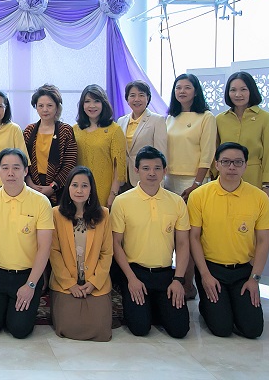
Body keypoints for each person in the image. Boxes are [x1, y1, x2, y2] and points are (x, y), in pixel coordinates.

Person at [188, 142, 269, 339]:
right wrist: (205, 275)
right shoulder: (199, 195)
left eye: (238, 162)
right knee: (222, 329)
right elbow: (194, 237)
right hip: (211, 269)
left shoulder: (259, 198)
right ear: (217, 165)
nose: (232, 167)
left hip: (243, 271)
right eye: (226, 162)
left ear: (245, 165)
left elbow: (263, 241)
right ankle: (208, 307)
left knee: (253, 330)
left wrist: (254, 279)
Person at [110, 146, 190, 338]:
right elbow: (115, 243)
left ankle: (157, 304)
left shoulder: (176, 201)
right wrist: (131, 279)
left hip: (165, 273)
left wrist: (178, 279)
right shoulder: (122, 201)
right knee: (140, 328)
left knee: (180, 330)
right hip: (135, 272)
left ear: (165, 171)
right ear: (136, 170)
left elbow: (182, 244)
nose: (152, 173)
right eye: (146, 168)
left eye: (157, 168)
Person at [0, 148, 53, 339]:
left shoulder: (41, 202)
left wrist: (31, 285)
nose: (11, 173)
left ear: (25, 171)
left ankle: (15, 308)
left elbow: (44, 247)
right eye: (5, 168)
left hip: (27, 275)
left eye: (16, 168)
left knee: (19, 330)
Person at [165, 73, 216, 298]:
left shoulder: (206, 117)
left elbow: (208, 154)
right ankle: (178, 280)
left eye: (187, 87)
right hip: (169, 181)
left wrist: (196, 183)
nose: (182, 91)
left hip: (194, 182)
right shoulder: (170, 118)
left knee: (190, 234)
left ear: (196, 91)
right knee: (174, 234)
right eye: (178, 87)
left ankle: (189, 284)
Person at [49, 166, 112, 341]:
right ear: (68, 187)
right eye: (75, 185)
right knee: (68, 327)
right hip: (66, 282)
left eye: (84, 186)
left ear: (91, 189)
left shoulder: (104, 214)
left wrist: (94, 282)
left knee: (100, 330)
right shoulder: (56, 214)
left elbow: (107, 253)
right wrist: (70, 284)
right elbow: (54, 252)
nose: (79, 190)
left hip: (95, 282)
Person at [215, 71, 269, 198]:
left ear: (251, 90)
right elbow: (215, 151)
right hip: (225, 177)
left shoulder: (265, 118)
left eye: (243, 89)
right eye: (233, 90)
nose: (238, 94)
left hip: (254, 177)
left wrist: (267, 186)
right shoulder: (219, 119)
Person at [23, 84, 78, 206]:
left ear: (57, 107)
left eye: (49, 105)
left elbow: (70, 163)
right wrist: (30, 184)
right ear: (36, 107)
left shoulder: (65, 130)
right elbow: (23, 161)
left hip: (59, 189)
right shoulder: (29, 131)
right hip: (32, 186)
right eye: (40, 106)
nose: (45, 110)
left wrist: (53, 186)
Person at [73, 84, 126, 208]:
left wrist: (113, 194)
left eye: (96, 101)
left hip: (104, 190)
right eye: (87, 101)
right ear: (82, 105)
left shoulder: (114, 130)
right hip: (79, 190)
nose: (92, 106)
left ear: (103, 103)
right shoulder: (75, 130)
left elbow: (119, 167)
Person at [116, 80, 168, 192]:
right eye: (132, 95)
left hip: (146, 178)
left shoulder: (157, 120)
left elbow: (161, 154)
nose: (137, 99)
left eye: (141, 95)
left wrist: (160, 184)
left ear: (148, 98)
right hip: (124, 179)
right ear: (127, 99)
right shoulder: (121, 121)